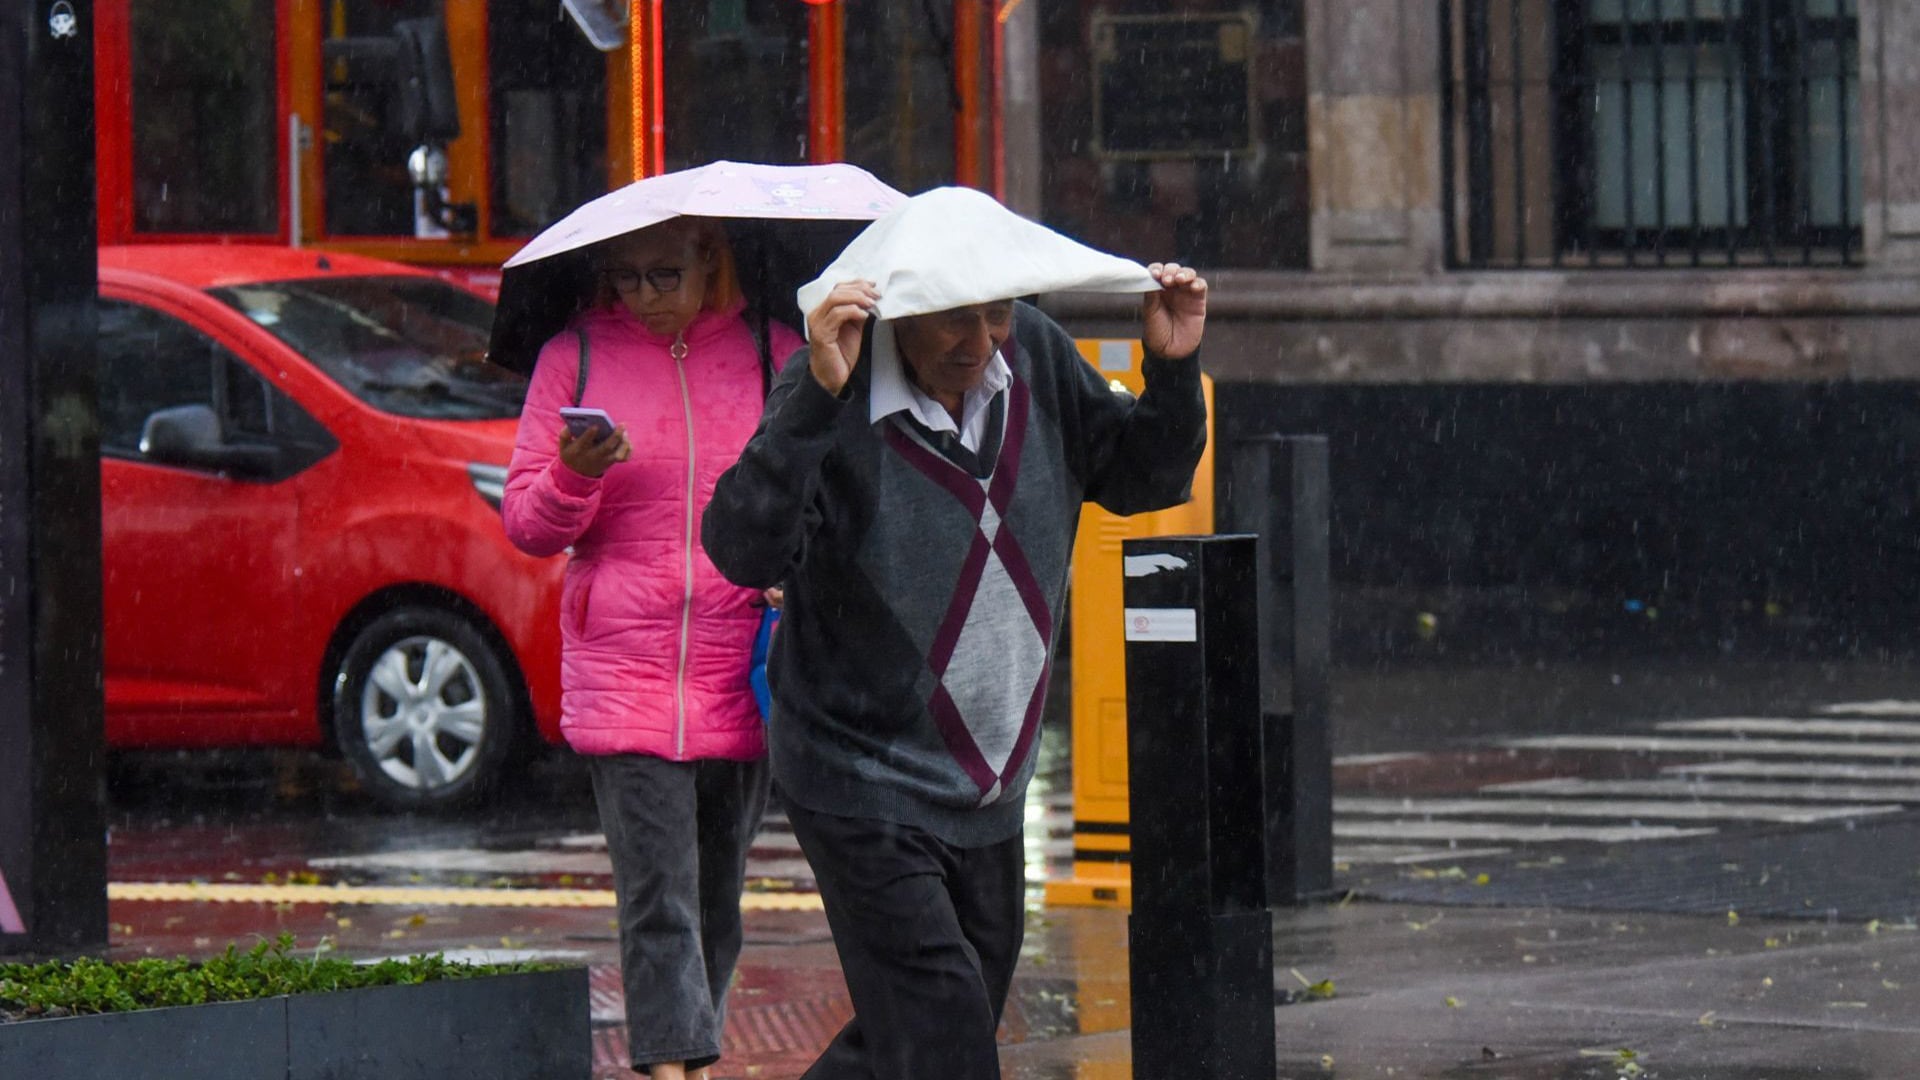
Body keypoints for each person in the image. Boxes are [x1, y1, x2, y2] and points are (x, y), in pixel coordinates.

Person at [700, 188, 1208, 1080]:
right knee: (944, 1038)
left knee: (919, 1035)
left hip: (988, 781)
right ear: (896, 311)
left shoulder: (1039, 360)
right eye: (952, 322)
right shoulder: (832, 384)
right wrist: (813, 399)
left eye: (997, 312)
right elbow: (743, 547)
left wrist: (1169, 370)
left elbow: (1142, 476)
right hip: (859, 777)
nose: (980, 343)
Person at [502, 216, 800, 1080]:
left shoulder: (776, 356)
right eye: (625, 278)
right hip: (623, 667)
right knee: (657, 896)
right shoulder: (577, 359)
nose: (643, 296)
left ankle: (692, 1054)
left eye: (664, 274)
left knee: (717, 898)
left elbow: (815, 493)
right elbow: (525, 521)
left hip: (742, 659)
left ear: (713, 260)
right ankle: (674, 1066)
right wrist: (575, 473)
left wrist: (795, 569)